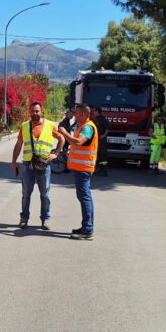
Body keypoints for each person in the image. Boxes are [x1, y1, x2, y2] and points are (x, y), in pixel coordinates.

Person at [11, 102, 65, 230]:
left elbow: (62, 138)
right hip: (27, 165)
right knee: (26, 194)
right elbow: (19, 144)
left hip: (43, 164)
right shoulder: (24, 126)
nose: (35, 113)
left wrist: (56, 154)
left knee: (45, 194)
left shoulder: (50, 125)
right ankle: (24, 219)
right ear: (29, 112)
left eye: (37, 111)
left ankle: (45, 219)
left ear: (41, 111)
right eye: (32, 111)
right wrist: (14, 161)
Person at [57, 103, 97, 240]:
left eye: (76, 113)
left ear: (83, 114)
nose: (74, 115)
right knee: (85, 197)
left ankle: (87, 229)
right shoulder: (83, 126)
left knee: (84, 197)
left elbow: (78, 142)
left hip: (83, 169)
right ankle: (87, 226)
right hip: (82, 168)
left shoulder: (87, 128)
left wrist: (64, 132)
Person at [91, 106, 109, 176]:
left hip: (102, 141)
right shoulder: (97, 119)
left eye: (94, 111)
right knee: (98, 156)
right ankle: (99, 170)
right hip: (98, 141)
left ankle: (104, 171)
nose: (93, 113)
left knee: (103, 156)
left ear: (98, 111)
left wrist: (103, 135)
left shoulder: (103, 119)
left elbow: (108, 128)